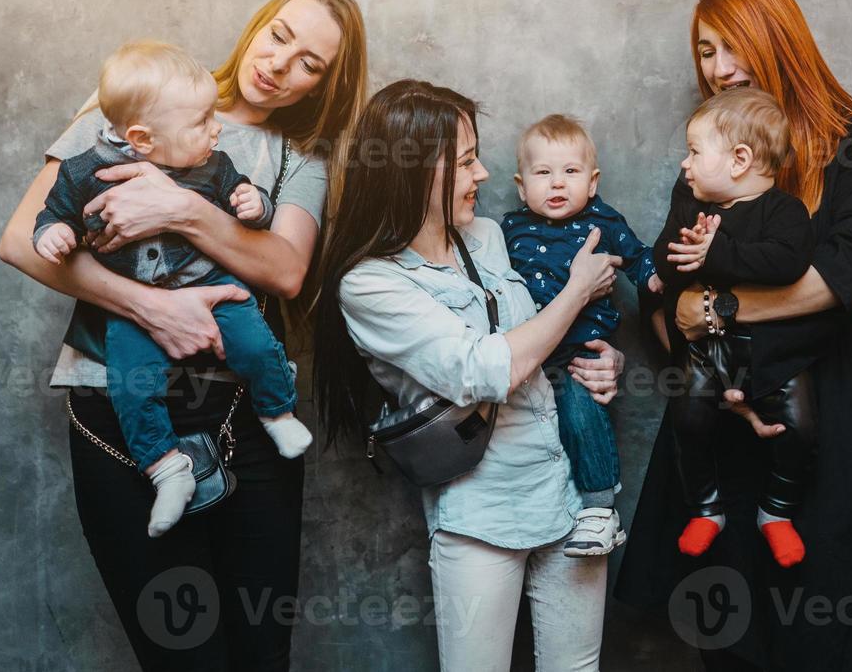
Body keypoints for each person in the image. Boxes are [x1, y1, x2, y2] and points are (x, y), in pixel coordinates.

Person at [0, 0, 367, 670]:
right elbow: (22, 241)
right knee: (183, 657)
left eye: (310, 63)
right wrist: (145, 306)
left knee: (261, 654)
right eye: (280, 34)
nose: (281, 64)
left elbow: (285, 270)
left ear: (325, 85)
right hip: (116, 412)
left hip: (245, 420)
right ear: (258, 23)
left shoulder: (298, 161)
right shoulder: (137, 101)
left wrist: (179, 208)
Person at [616, 0, 852, 671]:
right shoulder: (707, 159)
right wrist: (687, 328)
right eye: (705, 52)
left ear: (776, 41)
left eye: (730, 48)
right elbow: (662, 301)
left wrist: (715, 309)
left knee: (826, 617)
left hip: (817, 408)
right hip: (715, 412)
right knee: (728, 627)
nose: (716, 69)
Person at [312, 80, 628, 671]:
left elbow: (547, 344)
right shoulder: (369, 284)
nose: (482, 173)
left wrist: (606, 359)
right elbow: (489, 370)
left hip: (567, 495)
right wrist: (578, 290)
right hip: (478, 515)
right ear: (412, 172)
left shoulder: (488, 237)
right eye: (463, 162)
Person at [33, 40, 313, 539]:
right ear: (141, 137)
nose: (216, 127)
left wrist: (256, 206)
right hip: (129, 302)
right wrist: (53, 232)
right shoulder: (84, 170)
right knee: (133, 382)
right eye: (203, 122)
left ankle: (277, 410)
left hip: (212, 283)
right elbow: (50, 218)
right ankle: (166, 470)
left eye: (311, 63)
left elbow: (257, 223)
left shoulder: (215, 163)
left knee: (254, 340)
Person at [654, 87, 820, 568]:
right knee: (687, 418)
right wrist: (680, 257)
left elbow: (788, 264)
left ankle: (777, 512)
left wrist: (715, 252)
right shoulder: (691, 206)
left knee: (801, 427)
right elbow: (667, 262)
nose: (685, 165)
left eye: (694, 152)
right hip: (706, 351)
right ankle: (706, 508)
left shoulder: (785, 212)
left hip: (771, 355)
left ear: (739, 159)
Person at [501, 113, 664, 557]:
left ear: (592, 183)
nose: (557, 184)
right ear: (521, 186)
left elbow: (635, 255)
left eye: (570, 172)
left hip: (578, 353)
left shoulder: (602, 222)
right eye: (543, 173)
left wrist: (651, 277)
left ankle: (599, 509)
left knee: (580, 414)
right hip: (527, 355)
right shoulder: (509, 229)